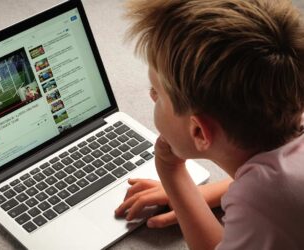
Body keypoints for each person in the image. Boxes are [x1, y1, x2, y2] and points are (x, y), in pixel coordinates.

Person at [115, 0, 304, 249]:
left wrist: (172, 174)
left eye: (157, 92)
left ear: (198, 132)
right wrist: (204, 195)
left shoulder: (262, 207)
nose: (152, 97)